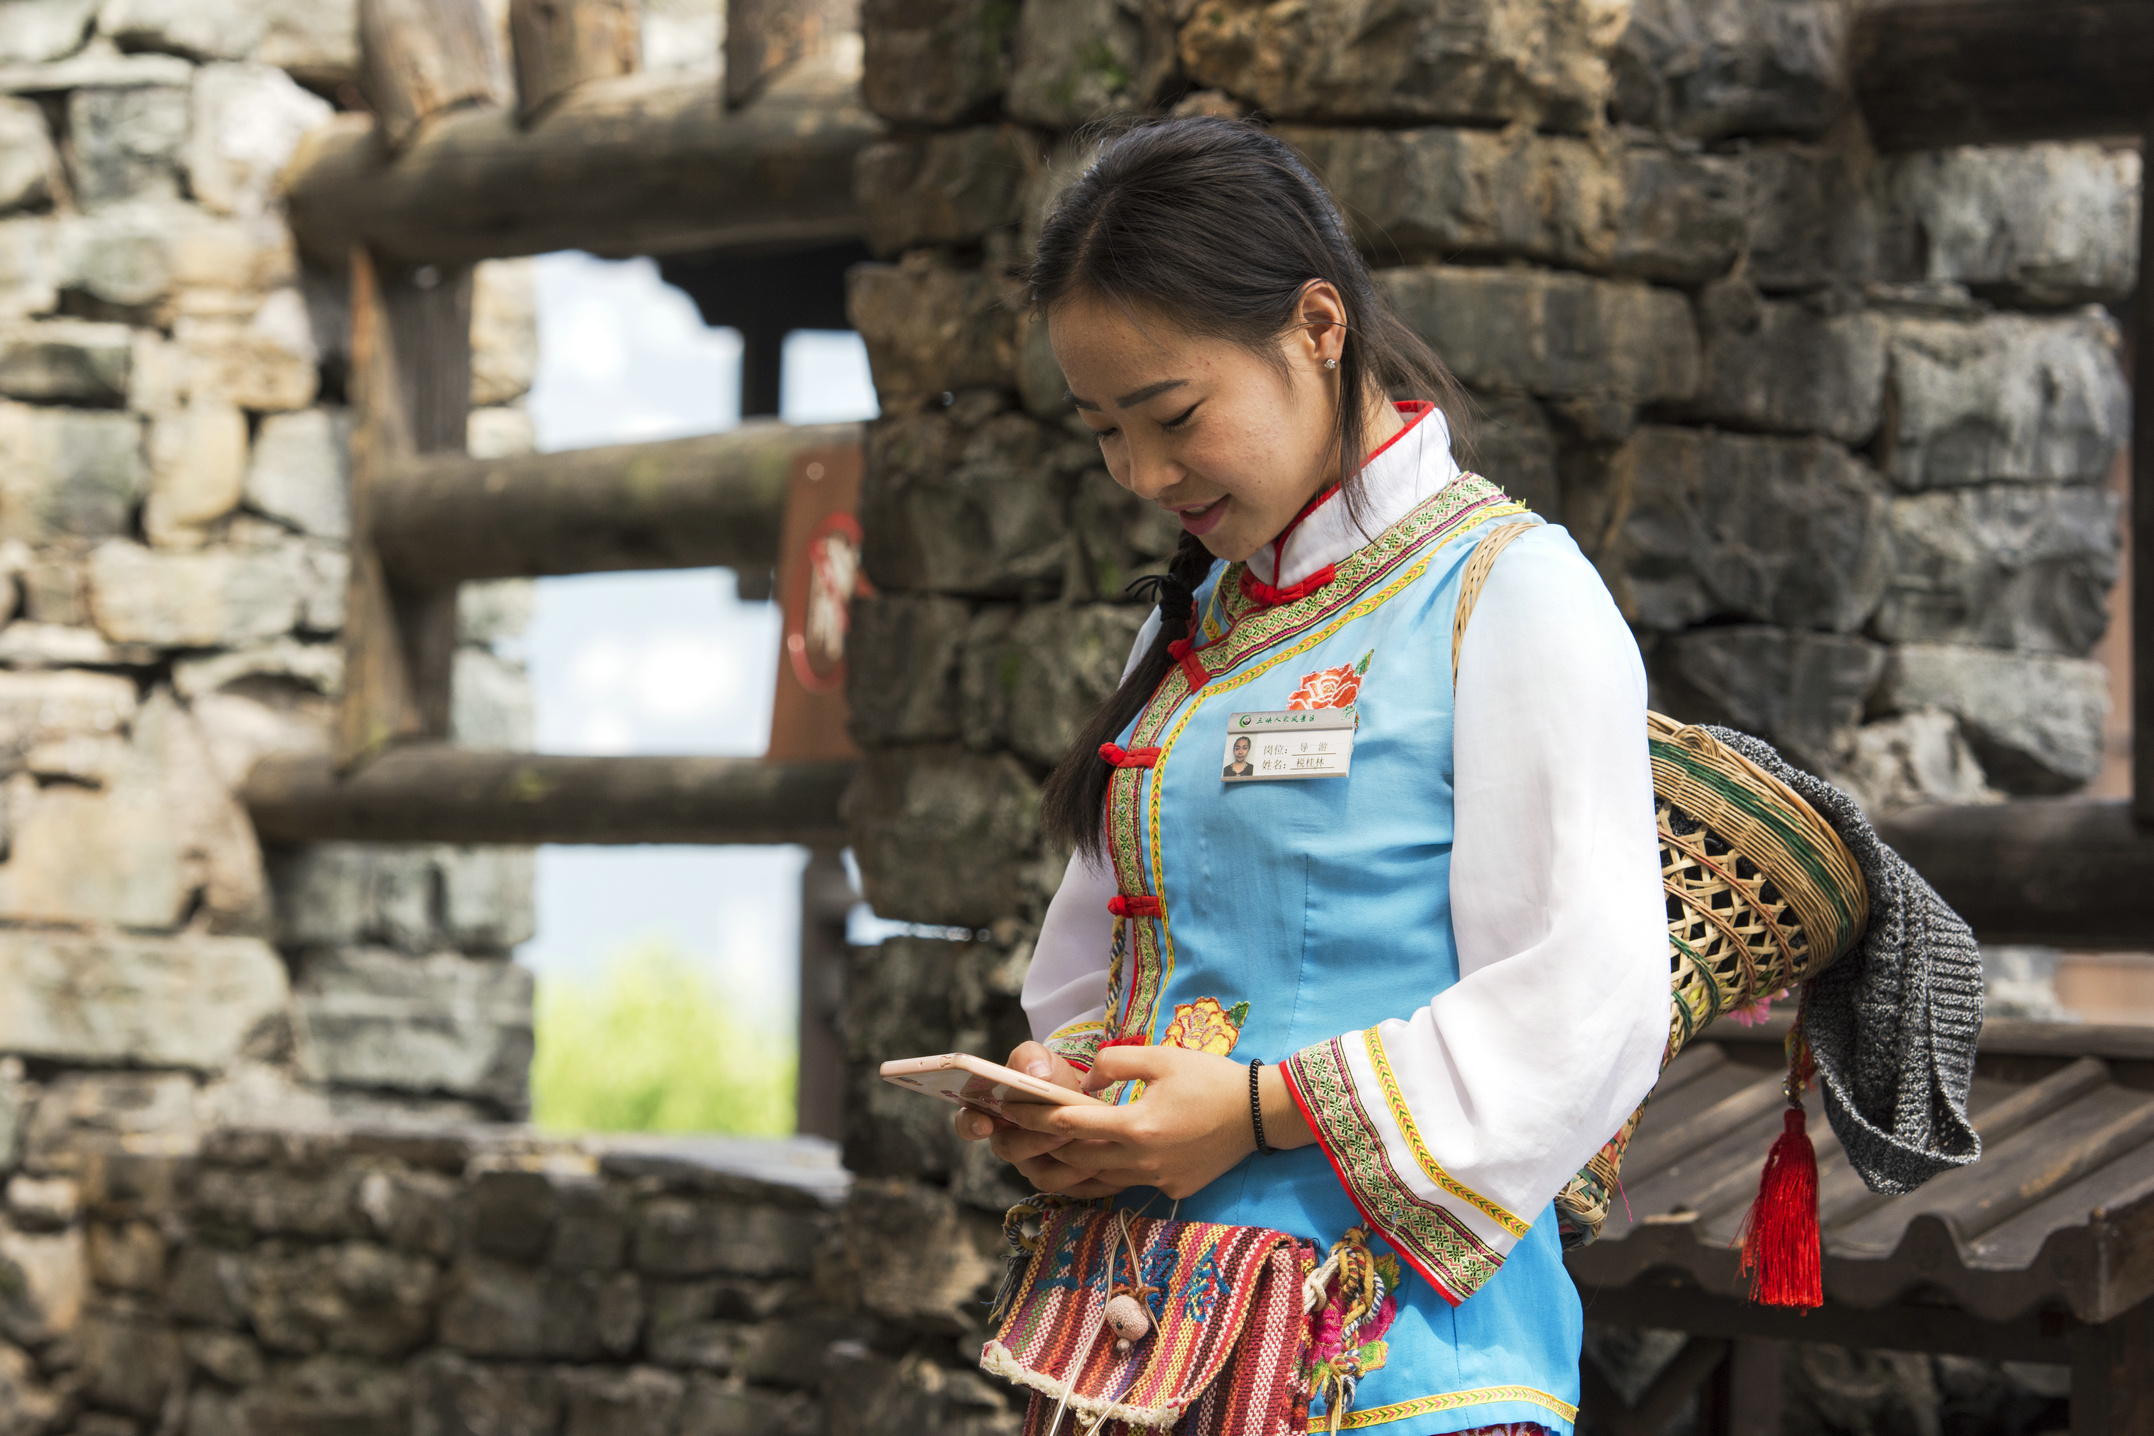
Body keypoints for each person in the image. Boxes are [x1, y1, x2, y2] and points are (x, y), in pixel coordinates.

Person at [954, 116, 1669, 1436]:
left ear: (1317, 328)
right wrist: (1068, 1091)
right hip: (1152, 1344)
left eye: (1172, 416)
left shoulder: (1508, 596)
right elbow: (1092, 960)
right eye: (1103, 430)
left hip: (1401, 1370)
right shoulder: (1191, 622)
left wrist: (1258, 1110)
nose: (1141, 474)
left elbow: (1589, 998)